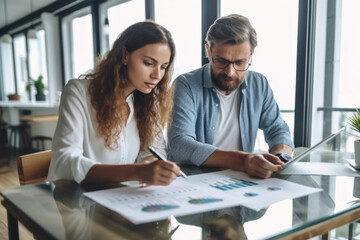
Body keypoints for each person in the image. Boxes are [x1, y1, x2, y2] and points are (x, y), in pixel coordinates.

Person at [47, 21, 181, 185]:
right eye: (148, 63)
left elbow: (154, 150)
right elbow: (64, 161)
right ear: (125, 55)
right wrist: (137, 172)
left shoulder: (146, 101)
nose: (157, 75)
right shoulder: (79, 92)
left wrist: (150, 165)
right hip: (79, 201)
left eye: (163, 67)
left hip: (123, 199)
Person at [168, 14, 294, 179]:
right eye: (221, 61)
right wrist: (243, 161)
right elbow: (180, 144)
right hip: (194, 184)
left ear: (251, 55)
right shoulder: (185, 85)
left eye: (240, 63)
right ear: (208, 51)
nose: (230, 72)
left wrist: (279, 157)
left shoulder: (259, 83)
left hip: (241, 183)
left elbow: (278, 129)